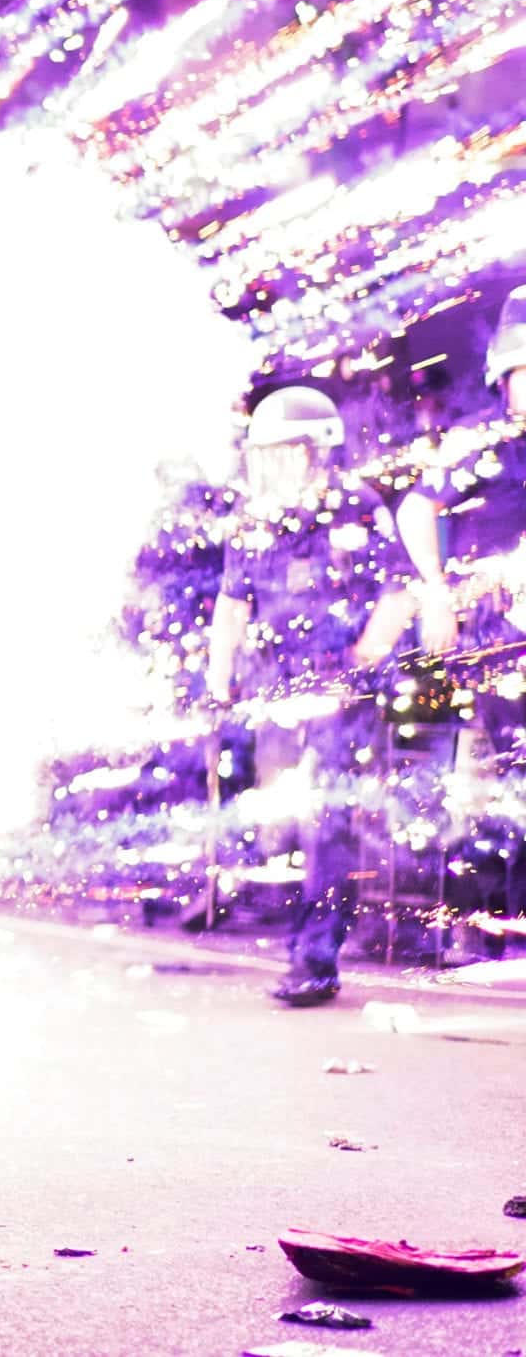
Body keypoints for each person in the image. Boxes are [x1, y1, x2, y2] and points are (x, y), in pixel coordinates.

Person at [204, 383, 409, 1007]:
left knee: (328, 823)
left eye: (283, 453)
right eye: (263, 455)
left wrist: (359, 663)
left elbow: (396, 593)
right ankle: (300, 931)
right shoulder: (254, 524)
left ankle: (316, 960)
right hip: (277, 693)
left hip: (340, 696)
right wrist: (220, 674)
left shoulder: (356, 506)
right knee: (288, 818)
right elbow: (232, 603)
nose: (271, 467)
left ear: (316, 452)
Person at [391, 285, 526, 775]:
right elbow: (415, 509)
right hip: (501, 638)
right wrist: (437, 592)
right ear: (504, 377)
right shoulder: (481, 440)